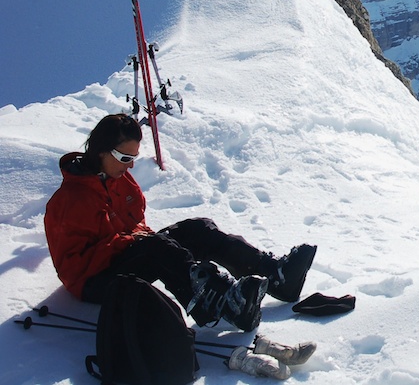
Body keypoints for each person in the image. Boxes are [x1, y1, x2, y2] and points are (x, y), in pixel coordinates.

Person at [44, 114, 316, 332]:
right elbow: (73, 269)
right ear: (102, 151)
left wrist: (142, 240)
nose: (131, 167)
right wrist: (133, 243)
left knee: (198, 229)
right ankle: (223, 303)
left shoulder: (120, 181)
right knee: (156, 247)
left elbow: (136, 224)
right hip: (94, 283)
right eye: (125, 158)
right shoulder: (69, 200)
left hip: (129, 256)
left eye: (134, 159)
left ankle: (277, 276)